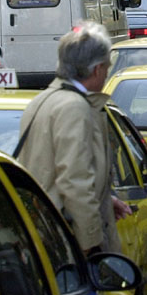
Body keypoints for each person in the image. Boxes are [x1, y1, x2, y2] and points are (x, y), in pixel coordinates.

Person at [16, 22, 132, 255]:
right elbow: (74, 180)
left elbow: (50, 173)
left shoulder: (44, 100)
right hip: (68, 241)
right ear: (98, 69)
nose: (107, 73)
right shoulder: (75, 107)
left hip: (47, 230)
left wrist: (105, 201)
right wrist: (90, 243)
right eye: (107, 68)